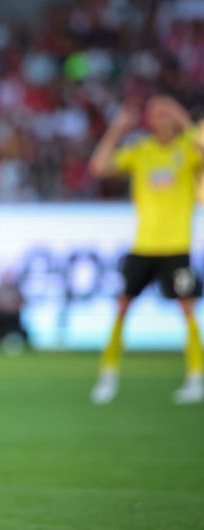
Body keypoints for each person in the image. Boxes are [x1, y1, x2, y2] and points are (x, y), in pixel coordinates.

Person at [88, 95, 204, 405]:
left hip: (177, 245)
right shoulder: (141, 151)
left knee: (188, 310)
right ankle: (108, 376)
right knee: (122, 308)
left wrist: (185, 122)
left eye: (166, 113)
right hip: (144, 245)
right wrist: (116, 130)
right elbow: (99, 167)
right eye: (156, 114)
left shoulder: (188, 149)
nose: (161, 119)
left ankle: (195, 378)